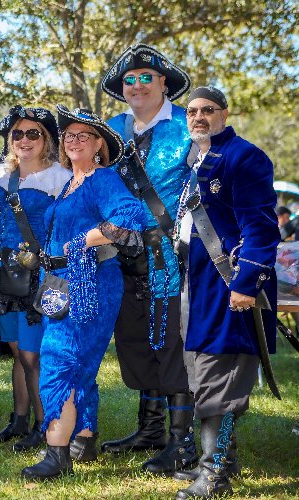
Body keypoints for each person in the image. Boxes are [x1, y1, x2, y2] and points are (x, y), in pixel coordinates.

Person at [22, 105, 144, 480]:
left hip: (90, 283)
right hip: (64, 284)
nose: (74, 141)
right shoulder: (70, 183)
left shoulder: (101, 179)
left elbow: (130, 215)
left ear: (99, 146)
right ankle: (83, 440)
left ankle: (57, 454)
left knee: (60, 361)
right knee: (82, 366)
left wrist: (82, 242)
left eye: (84, 136)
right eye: (69, 136)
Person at [174, 86, 280, 499]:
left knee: (225, 373)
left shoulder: (244, 156)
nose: (199, 117)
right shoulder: (193, 161)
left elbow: (261, 228)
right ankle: (224, 461)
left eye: (208, 110)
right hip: (198, 286)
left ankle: (213, 474)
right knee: (202, 371)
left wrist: (245, 284)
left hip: (231, 284)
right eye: (192, 111)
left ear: (224, 113)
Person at [99, 43, 198, 474]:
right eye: (129, 80)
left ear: (163, 84)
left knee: (172, 341)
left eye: (146, 78)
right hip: (122, 254)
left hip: (173, 254)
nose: (137, 85)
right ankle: (151, 429)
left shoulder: (188, 124)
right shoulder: (111, 128)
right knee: (138, 339)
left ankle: (182, 441)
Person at [0, 106, 71, 453]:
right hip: (3, 277)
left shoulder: (60, 178)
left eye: (33, 133)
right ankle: (19, 420)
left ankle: (44, 424)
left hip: (39, 278)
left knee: (33, 356)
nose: (24, 140)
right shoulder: (0, 178)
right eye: (17, 134)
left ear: (46, 139)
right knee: (19, 353)